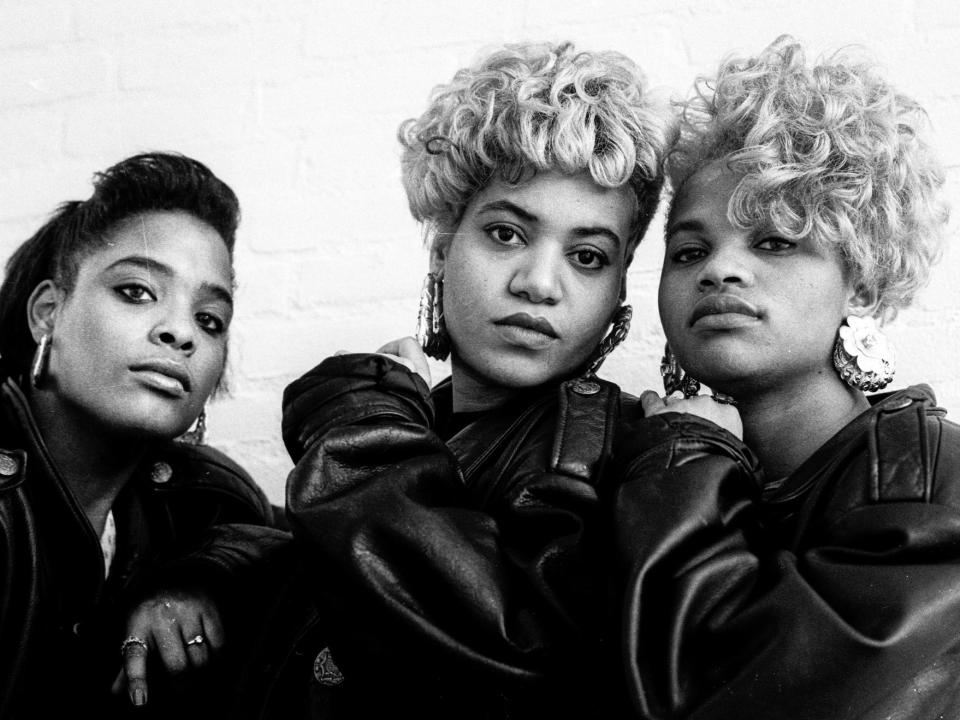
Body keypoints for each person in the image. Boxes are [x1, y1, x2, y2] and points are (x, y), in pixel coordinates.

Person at [275, 42, 676, 718]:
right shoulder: (409, 422)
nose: (539, 283)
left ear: (617, 292)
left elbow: (522, 660)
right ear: (443, 246)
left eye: (586, 255)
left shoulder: (629, 455)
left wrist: (358, 428)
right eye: (507, 235)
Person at [611, 36, 957, 719]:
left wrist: (685, 465)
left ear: (858, 279)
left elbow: (718, 697)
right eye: (689, 250)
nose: (718, 270)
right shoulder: (643, 452)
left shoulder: (928, 478)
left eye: (773, 241)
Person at [0, 152, 285, 718]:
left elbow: (291, 541)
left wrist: (198, 579)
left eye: (210, 320)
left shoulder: (200, 496)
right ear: (48, 313)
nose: (180, 331)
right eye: (136, 291)